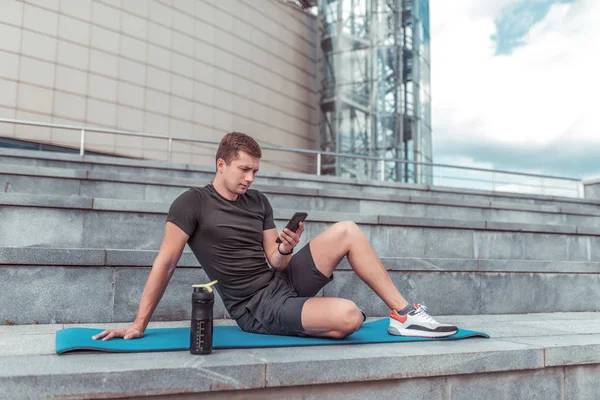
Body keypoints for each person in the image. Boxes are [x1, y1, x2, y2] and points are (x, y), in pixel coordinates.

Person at [92, 132, 457, 341]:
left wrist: (285, 247)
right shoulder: (192, 203)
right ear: (221, 164)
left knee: (347, 230)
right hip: (255, 305)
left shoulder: (258, 201)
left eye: (255, 170)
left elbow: (274, 261)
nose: (250, 177)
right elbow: (166, 263)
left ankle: (404, 314)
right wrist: (139, 324)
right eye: (244, 169)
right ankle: (315, 321)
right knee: (349, 317)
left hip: (281, 279)